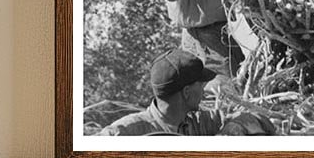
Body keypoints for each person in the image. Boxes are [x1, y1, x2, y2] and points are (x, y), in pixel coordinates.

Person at [99, 49, 273, 136]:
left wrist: (234, 128)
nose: (204, 89)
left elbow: (256, 117)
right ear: (187, 92)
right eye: (200, 84)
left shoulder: (198, 122)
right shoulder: (127, 132)